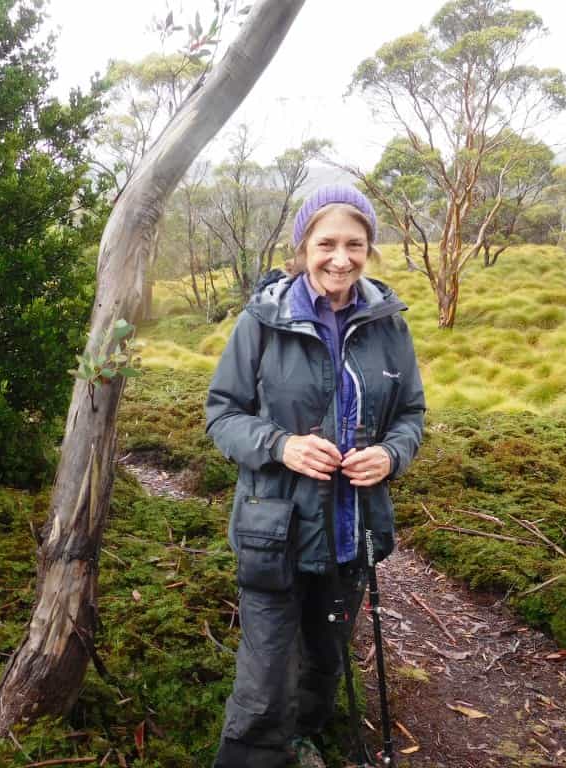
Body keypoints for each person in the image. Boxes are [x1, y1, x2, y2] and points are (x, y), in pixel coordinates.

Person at [205, 185, 426, 767]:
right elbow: (221, 413)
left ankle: (301, 740)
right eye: (326, 243)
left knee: (326, 658)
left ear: (369, 249)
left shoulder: (388, 324)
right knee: (265, 672)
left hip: (353, 530)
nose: (340, 257)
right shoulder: (262, 321)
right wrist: (281, 445)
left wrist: (391, 455)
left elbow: (411, 415)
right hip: (272, 531)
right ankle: (254, 754)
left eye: (355, 244)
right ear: (302, 247)